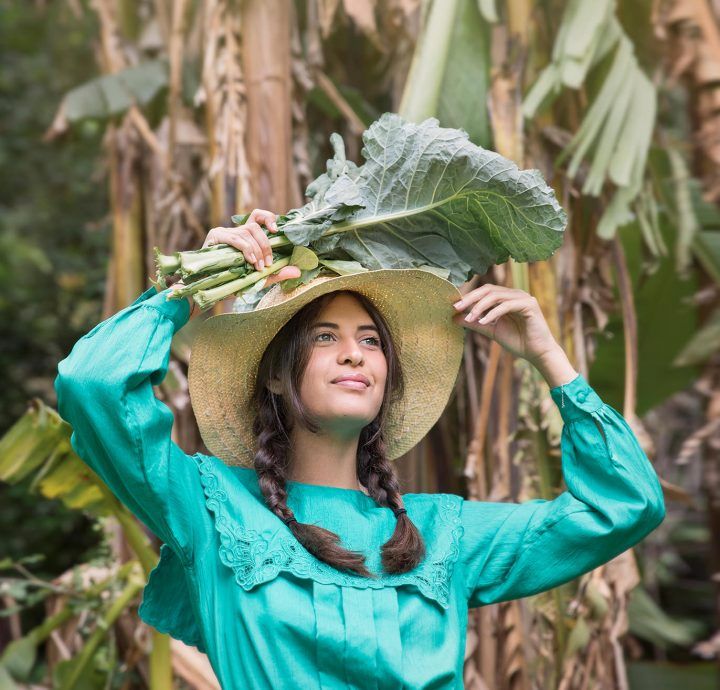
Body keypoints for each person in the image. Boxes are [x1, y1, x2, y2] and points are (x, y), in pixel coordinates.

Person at [54, 208, 666, 689]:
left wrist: (549, 359)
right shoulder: (210, 508)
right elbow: (94, 385)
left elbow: (625, 507)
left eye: (370, 340)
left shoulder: (444, 532)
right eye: (325, 337)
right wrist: (186, 286)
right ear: (274, 375)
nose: (354, 354)